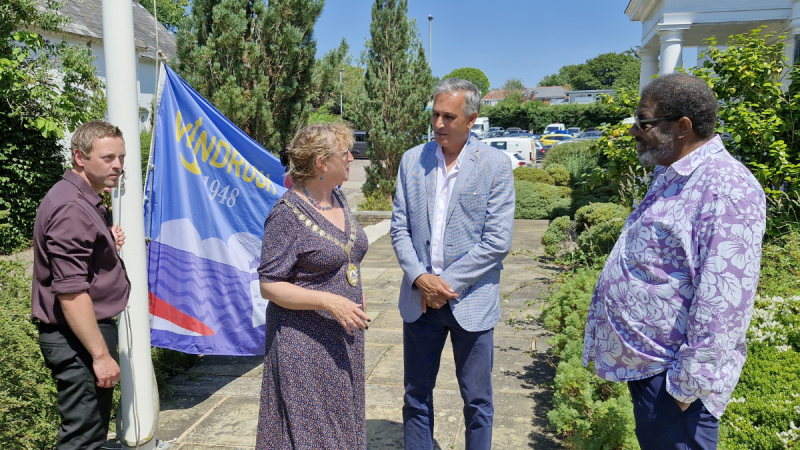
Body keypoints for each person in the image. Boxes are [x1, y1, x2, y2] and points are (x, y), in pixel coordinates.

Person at [582, 73, 767, 450]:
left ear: (683, 126)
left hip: (677, 383)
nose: (635, 132)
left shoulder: (725, 188)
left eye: (644, 122)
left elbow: (725, 300)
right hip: (654, 370)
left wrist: (687, 387)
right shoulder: (675, 172)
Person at [390, 78, 516, 449]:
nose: (439, 124)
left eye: (449, 116)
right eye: (435, 115)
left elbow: (497, 241)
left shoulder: (494, 165)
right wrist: (420, 279)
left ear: (471, 118)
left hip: (471, 301)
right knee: (415, 395)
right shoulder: (413, 159)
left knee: (477, 401)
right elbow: (399, 229)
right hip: (419, 302)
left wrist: (442, 285)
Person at [256, 123, 371, 449]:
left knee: (341, 424)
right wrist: (329, 301)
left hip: (343, 340)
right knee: (313, 434)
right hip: (304, 345)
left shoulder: (337, 197)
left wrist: (354, 294)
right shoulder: (286, 214)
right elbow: (270, 285)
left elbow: (347, 259)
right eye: (344, 152)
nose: (351, 157)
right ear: (322, 162)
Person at [31, 121, 129, 450]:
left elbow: (78, 264)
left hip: (81, 335)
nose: (117, 165)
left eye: (121, 157)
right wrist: (100, 355)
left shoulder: (81, 198)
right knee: (83, 439)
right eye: (107, 157)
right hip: (77, 338)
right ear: (79, 157)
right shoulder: (72, 207)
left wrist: (106, 245)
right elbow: (71, 292)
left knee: (90, 434)